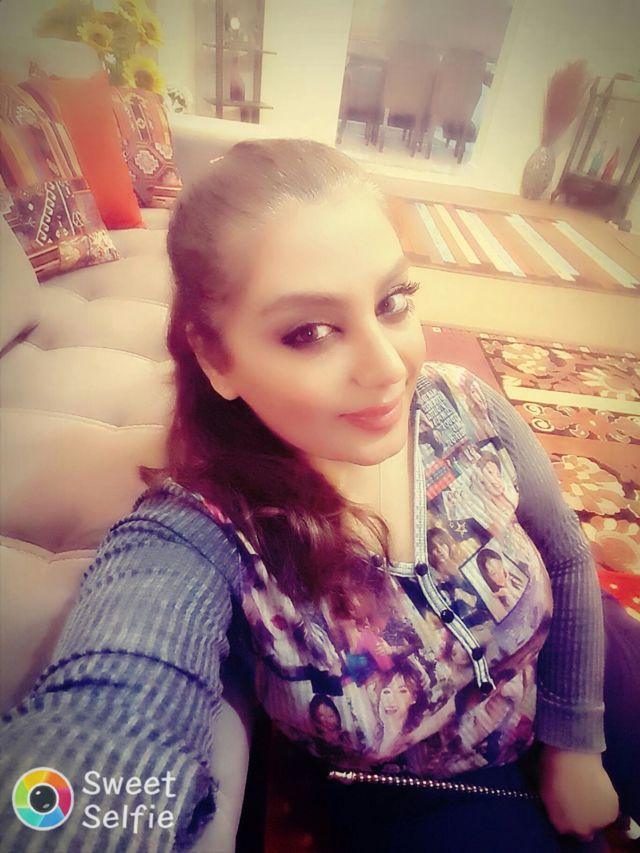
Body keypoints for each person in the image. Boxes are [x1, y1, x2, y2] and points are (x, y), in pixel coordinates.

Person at [0, 138, 622, 852]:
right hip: (427, 803)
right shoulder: (204, 534)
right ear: (215, 357)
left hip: (578, 665)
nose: (388, 369)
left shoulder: (462, 405)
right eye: (311, 331)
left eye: (392, 302)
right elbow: (102, 733)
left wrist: (576, 741)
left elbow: (566, 555)